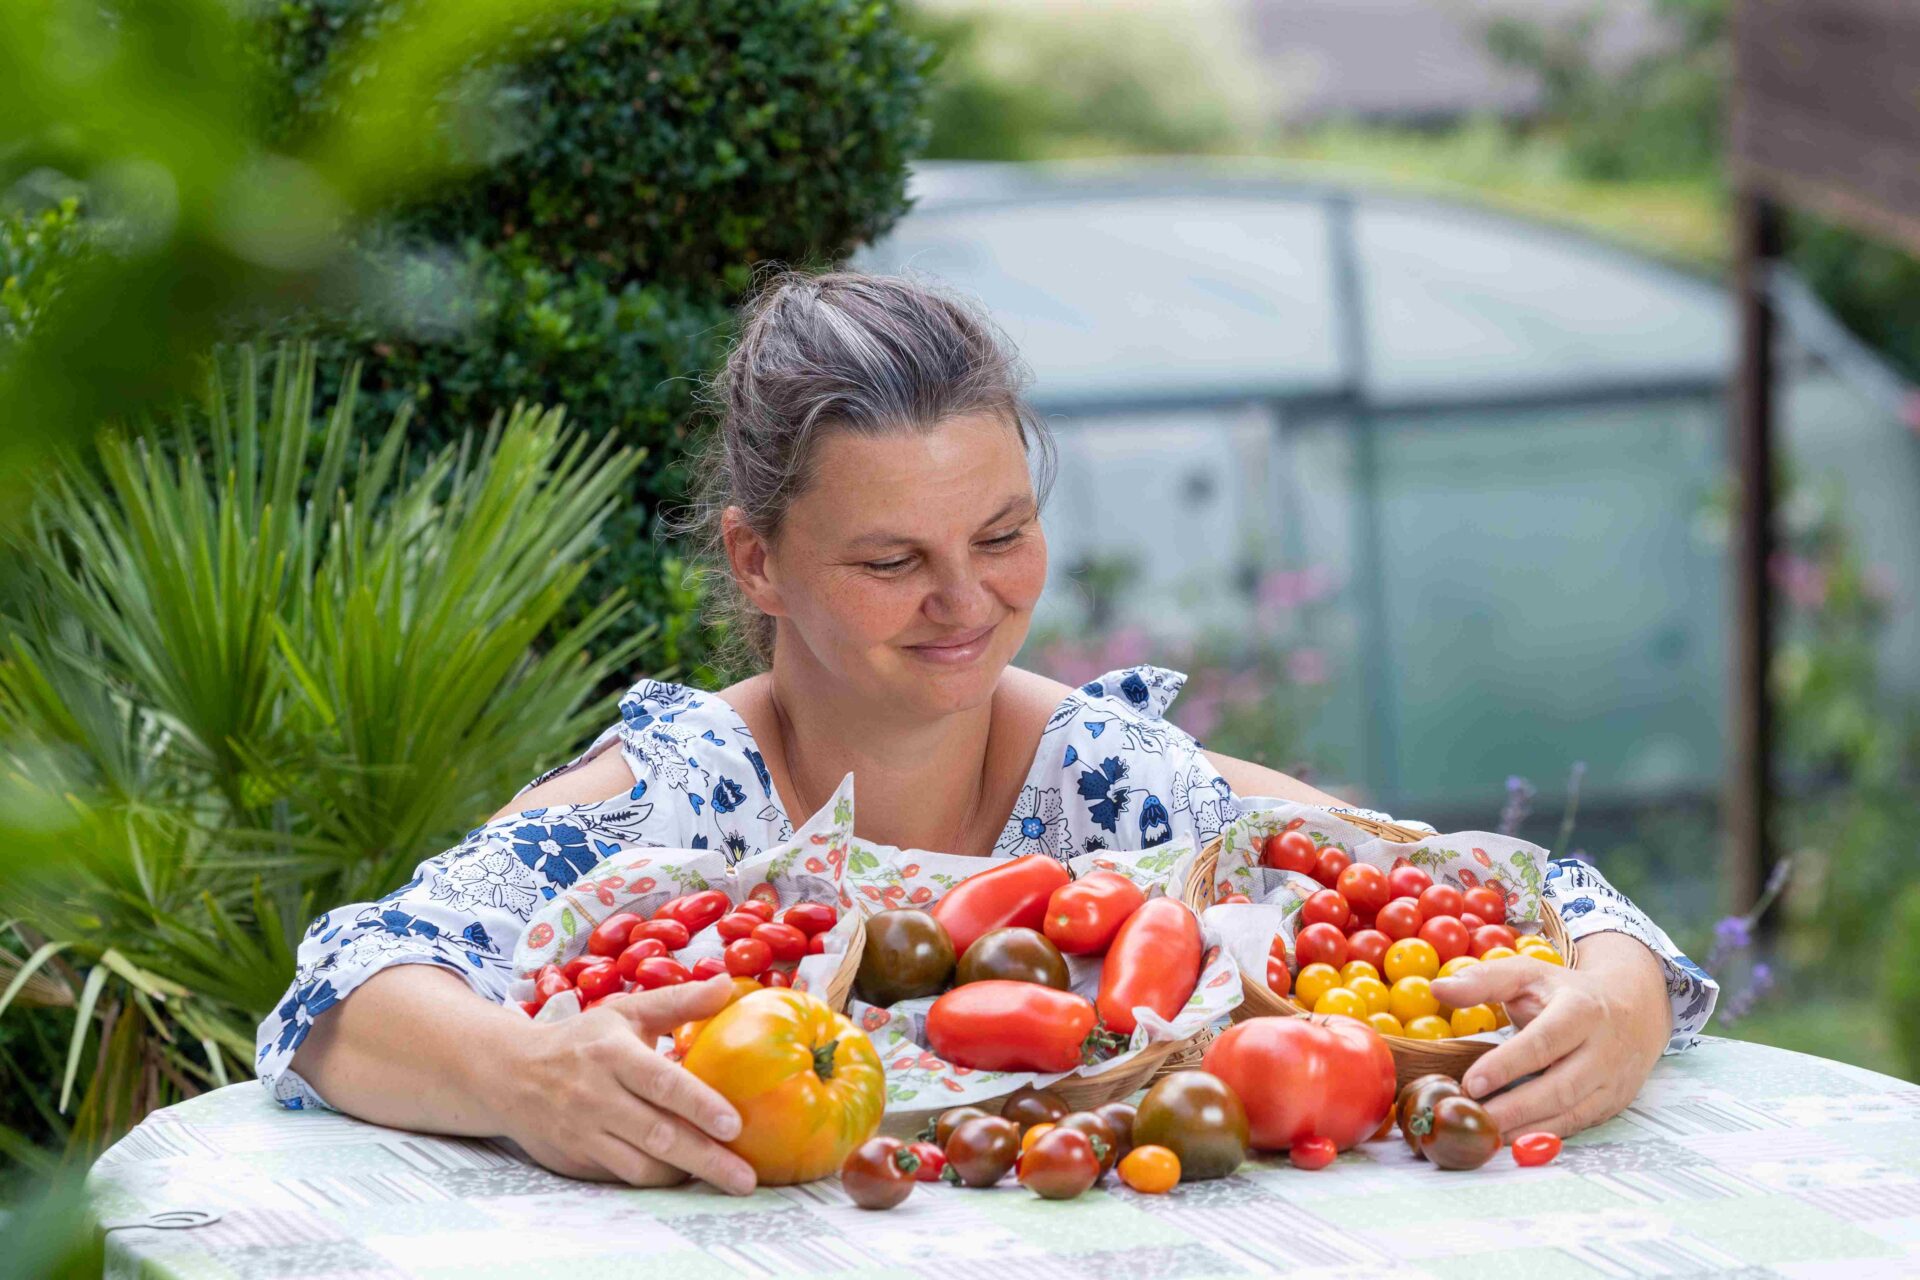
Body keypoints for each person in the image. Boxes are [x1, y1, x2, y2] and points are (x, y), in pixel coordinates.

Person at [259, 272, 1716, 1195]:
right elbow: (338, 997)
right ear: (756, 562)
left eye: (1004, 535)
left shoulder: (1118, 783)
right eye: (892, 563)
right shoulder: (683, 800)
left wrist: (1620, 988)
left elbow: (1459, 882)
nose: (967, 604)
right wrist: (521, 1076)